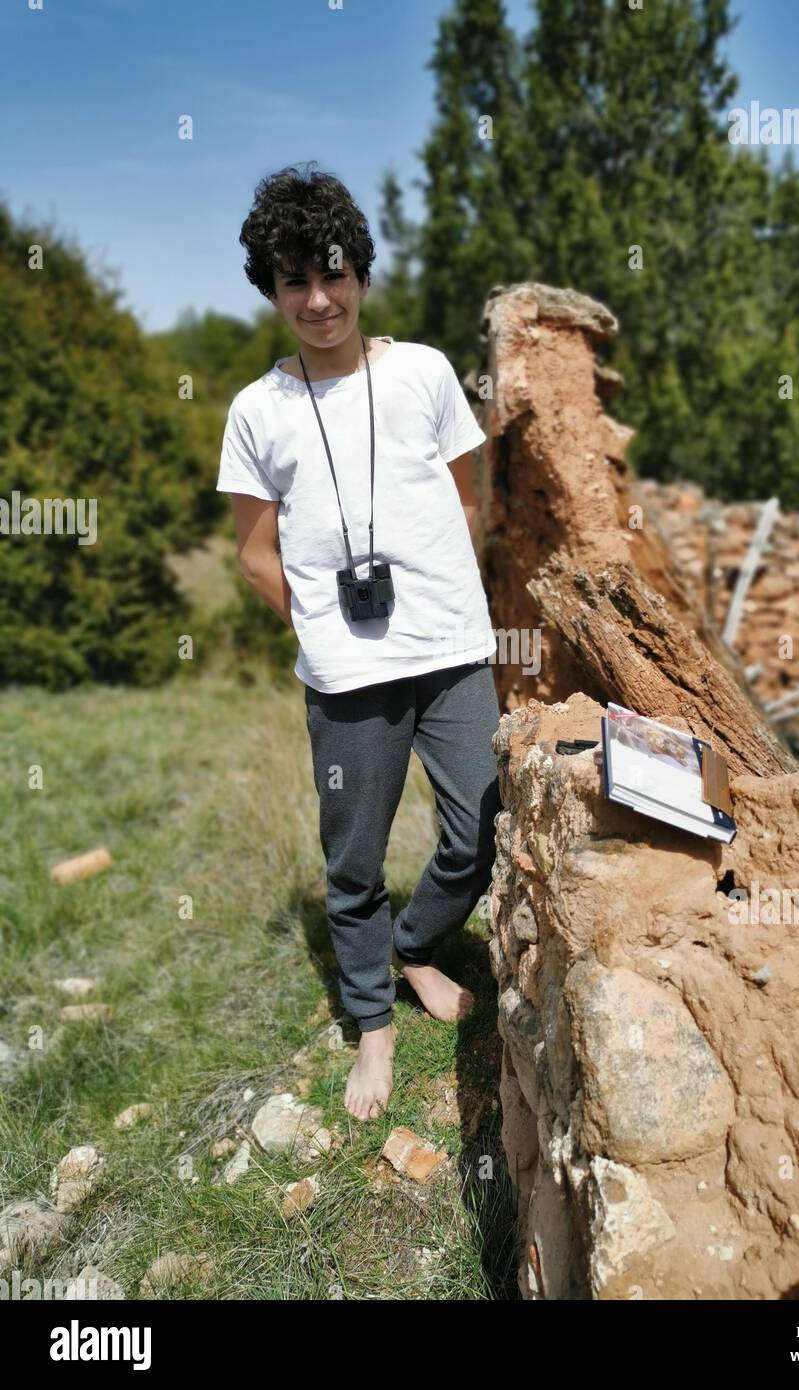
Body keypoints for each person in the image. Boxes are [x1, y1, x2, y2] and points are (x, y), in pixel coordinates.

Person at [216, 163, 502, 1121]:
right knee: (353, 860)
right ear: (271, 289)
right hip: (348, 675)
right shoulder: (259, 409)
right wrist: (327, 632)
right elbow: (255, 554)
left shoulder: (422, 372)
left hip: (453, 648)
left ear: (362, 275)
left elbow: (469, 501)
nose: (318, 298)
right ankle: (372, 1025)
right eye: (294, 280)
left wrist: (439, 597)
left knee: (480, 828)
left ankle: (415, 945)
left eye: (332, 273)